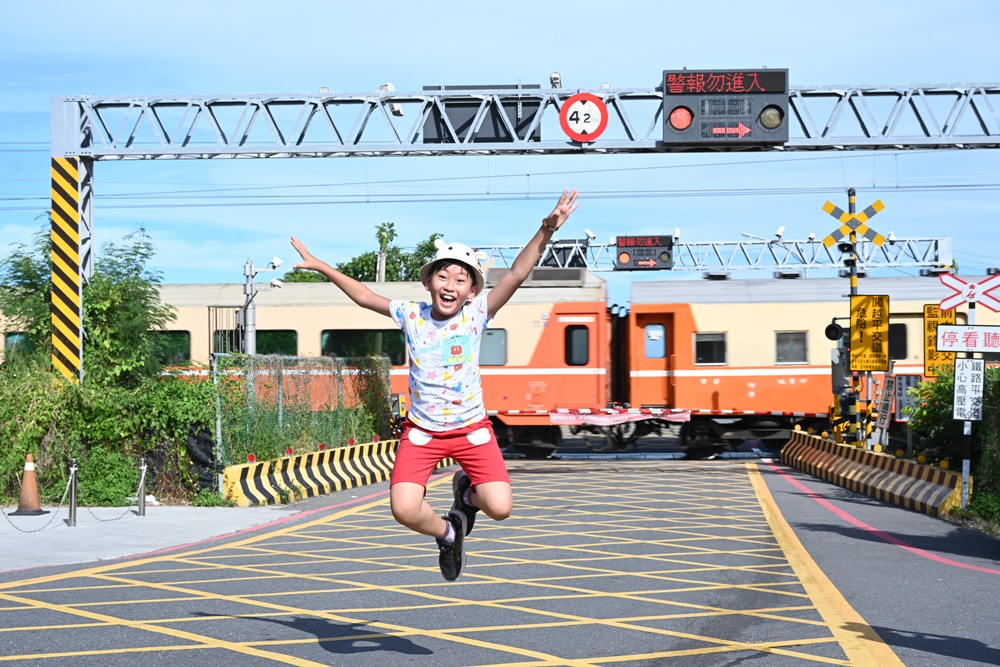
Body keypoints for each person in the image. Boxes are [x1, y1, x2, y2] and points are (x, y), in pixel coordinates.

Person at [290, 189, 579, 581]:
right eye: (442, 275)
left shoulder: (477, 315)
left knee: (500, 507)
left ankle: (466, 496)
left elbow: (516, 274)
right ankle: (448, 533)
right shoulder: (411, 314)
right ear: (428, 282)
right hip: (423, 431)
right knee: (404, 509)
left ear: (472, 291)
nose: (450, 283)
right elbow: (364, 296)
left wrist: (546, 230)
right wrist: (323, 266)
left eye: (461, 278)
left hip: (471, 429)